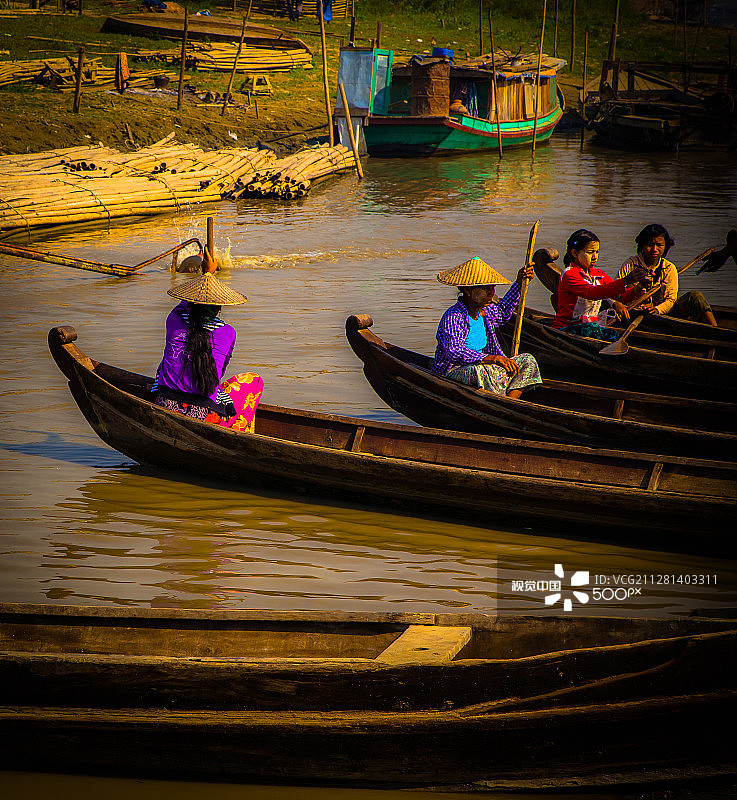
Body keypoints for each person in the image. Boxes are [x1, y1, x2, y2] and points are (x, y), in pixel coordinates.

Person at [152, 249, 263, 433]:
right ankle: (239, 432)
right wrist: (210, 273)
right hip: (206, 417)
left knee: (163, 366)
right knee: (255, 381)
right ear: (219, 307)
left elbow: (185, 303)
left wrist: (207, 273)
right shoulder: (228, 333)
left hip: (164, 403)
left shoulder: (174, 319)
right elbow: (217, 376)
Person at [432, 256, 542, 399]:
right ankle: (500, 401)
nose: (491, 293)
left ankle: (510, 401)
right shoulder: (454, 316)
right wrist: (493, 359)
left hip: (485, 366)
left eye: (492, 288)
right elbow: (454, 352)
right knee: (481, 371)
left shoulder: (486, 311)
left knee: (527, 361)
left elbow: (503, 312)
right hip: (454, 371)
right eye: (485, 289)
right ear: (467, 290)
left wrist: (519, 282)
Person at [552, 229, 646, 341]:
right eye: (590, 252)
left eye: (596, 252)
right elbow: (591, 292)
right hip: (566, 328)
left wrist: (639, 287)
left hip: (589, 328)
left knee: (612, 335)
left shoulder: (598, 274)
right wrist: (626, 280)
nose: (595, 256)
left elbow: (621, 296)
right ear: (574, 253)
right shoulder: (569, 274)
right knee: (595, 330)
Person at [617, 223, 717, 326]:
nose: (654, 249)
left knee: (695, 297)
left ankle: (715, 330)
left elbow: (671, 300)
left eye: (659, 245)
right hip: (634, 313)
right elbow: (615, 291)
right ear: (642, 245)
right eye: (650, 245)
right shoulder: (630, 265)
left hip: (663, 314)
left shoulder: (669, 268)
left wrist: (656, 309)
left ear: (665, 246)